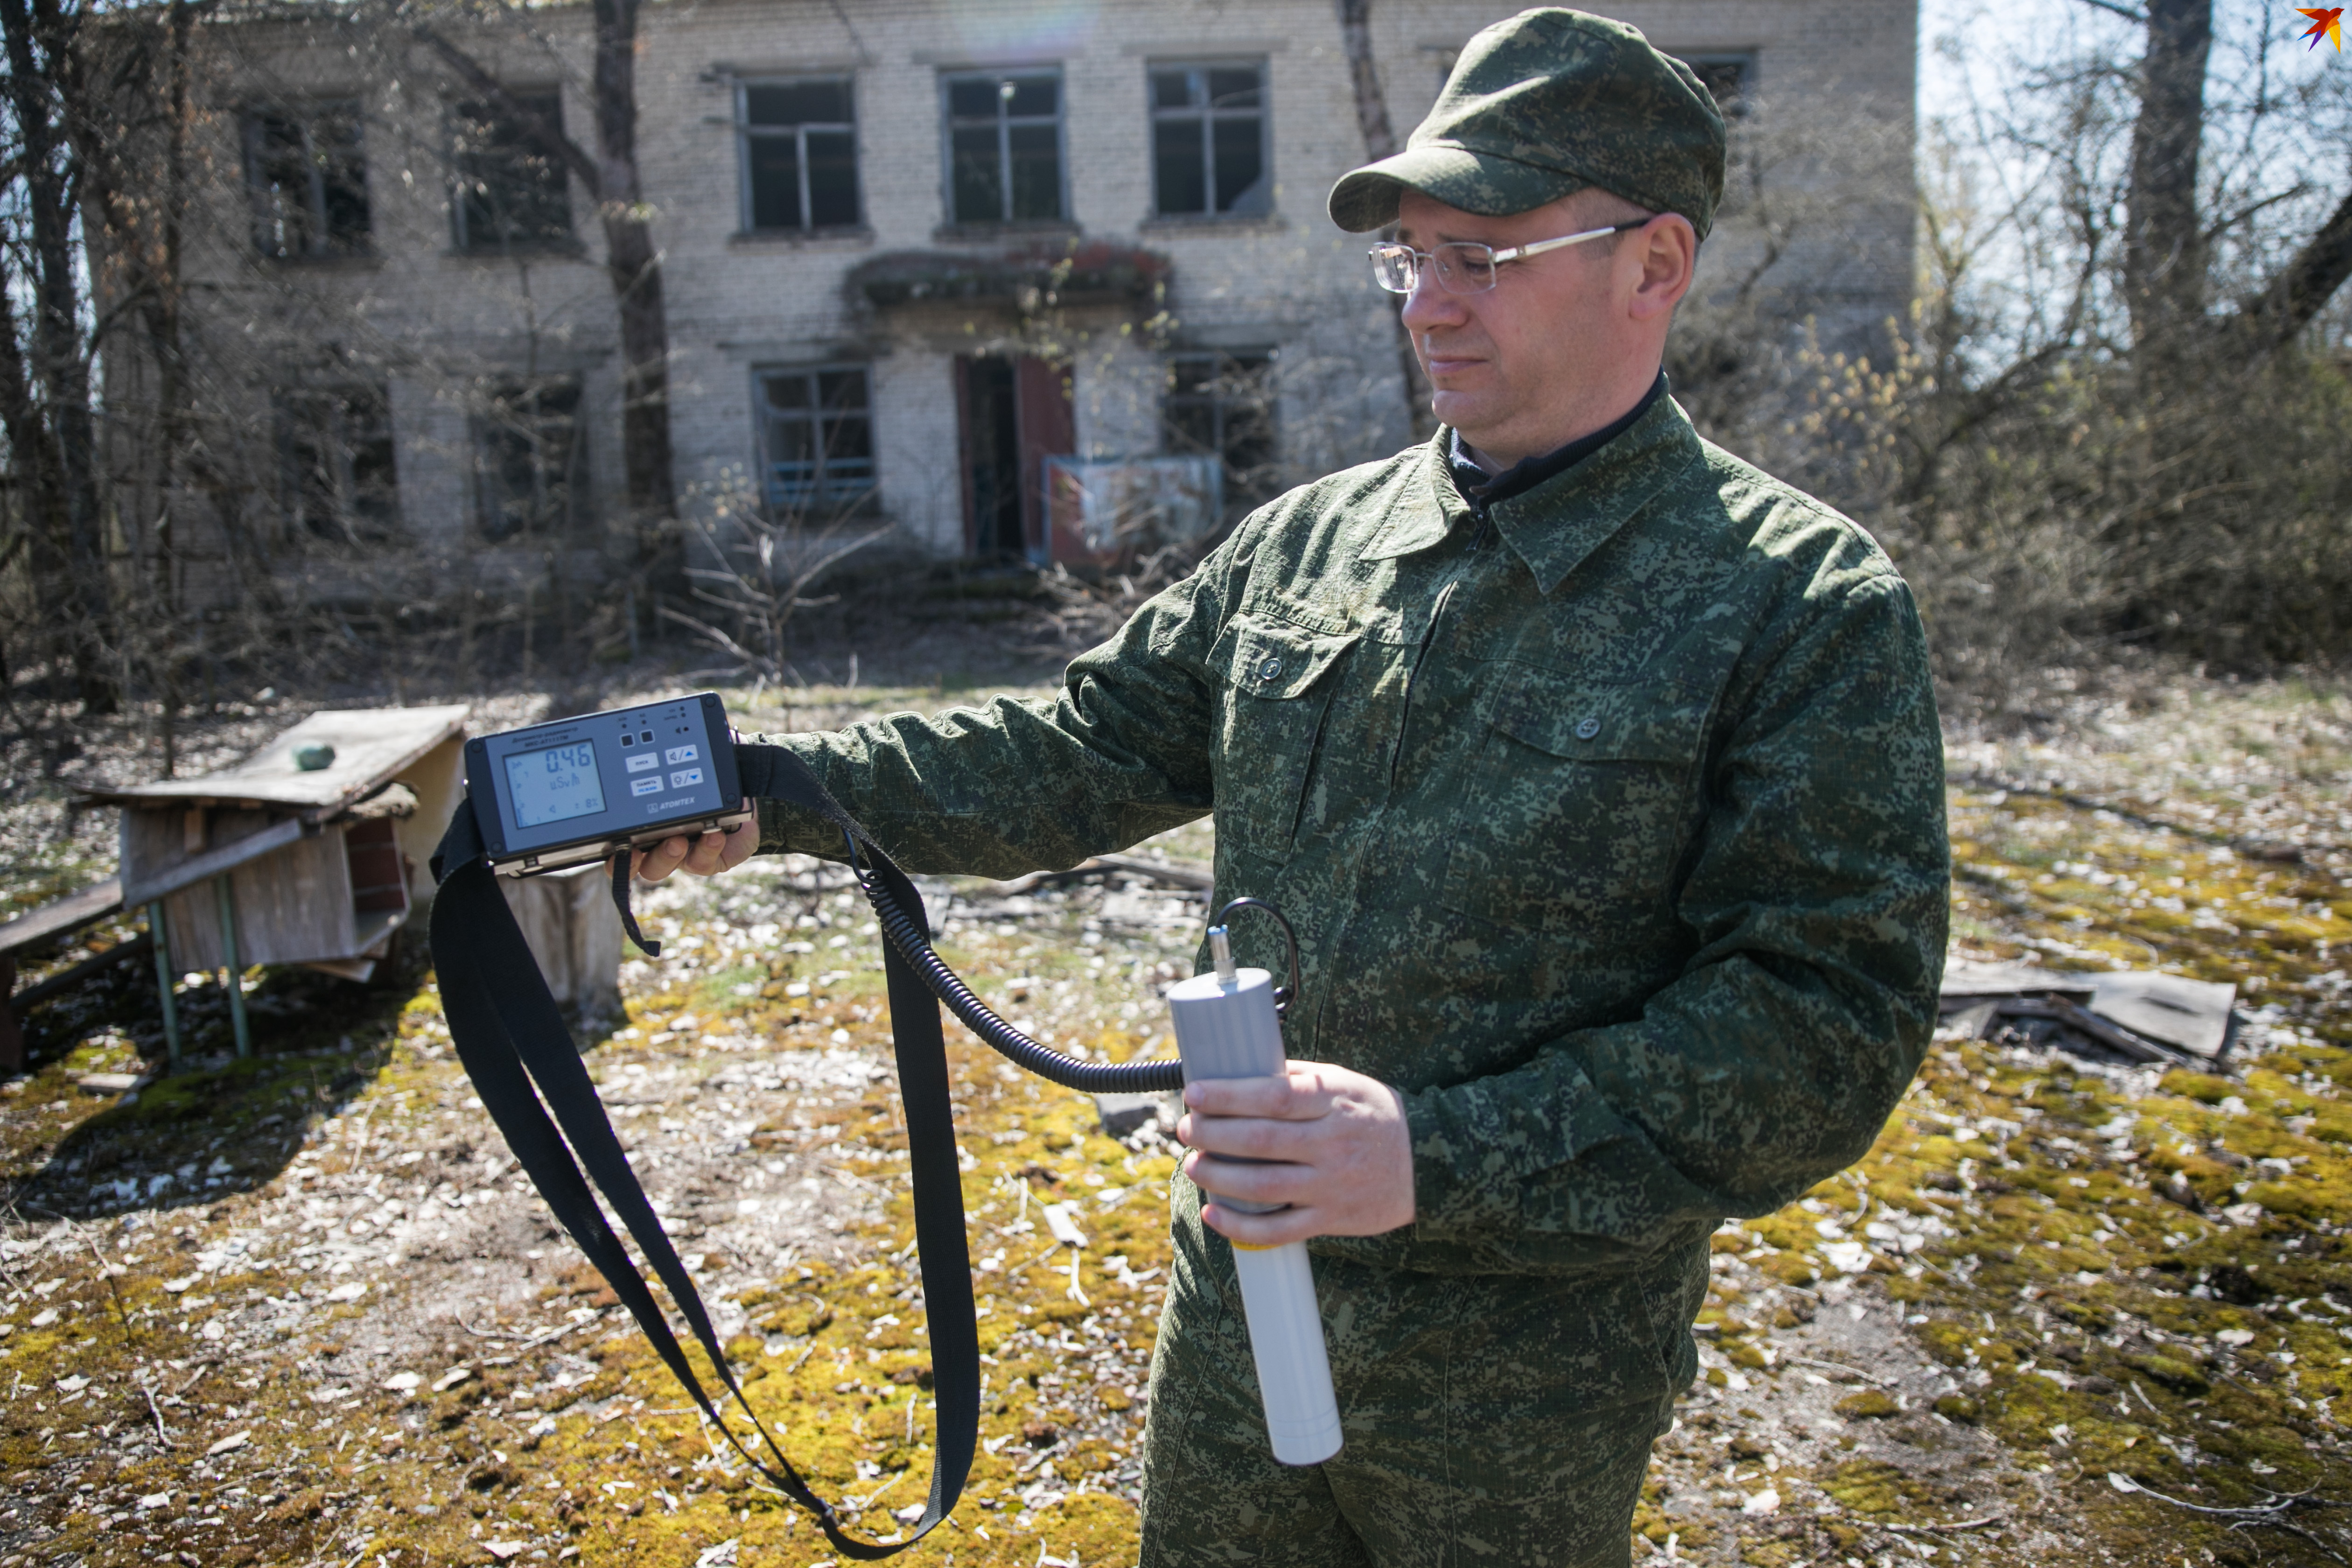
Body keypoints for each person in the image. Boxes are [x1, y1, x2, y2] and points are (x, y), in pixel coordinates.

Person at [637, 8, 1950, 1562]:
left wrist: (1433, 1157)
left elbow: (1823, 1018)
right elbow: (1076, 752)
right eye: (1410, 259)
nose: (1431, 307)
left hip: (1524, 1377)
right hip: (1240, 1310)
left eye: (1485, 257)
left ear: (1653, 264)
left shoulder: (1795, 600)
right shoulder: (1309, 544)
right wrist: (775, 786)